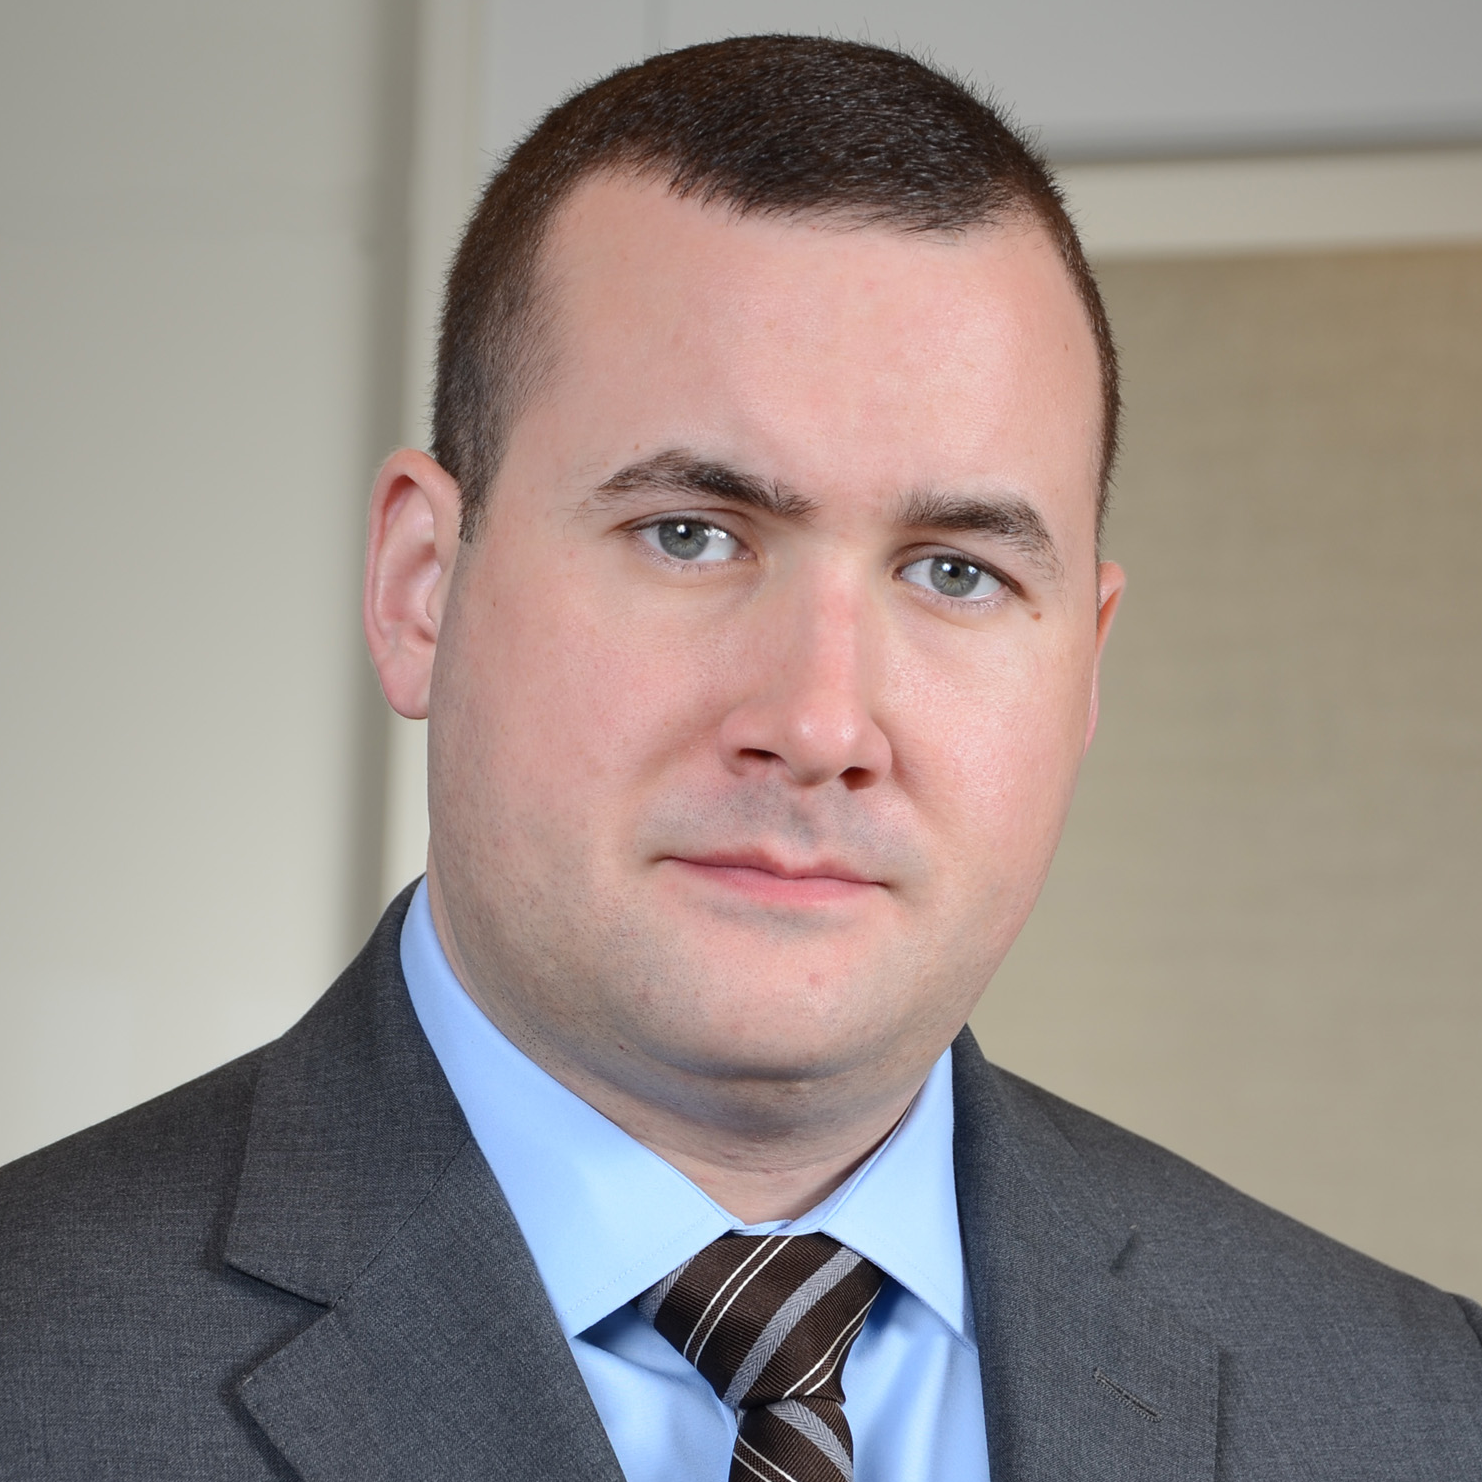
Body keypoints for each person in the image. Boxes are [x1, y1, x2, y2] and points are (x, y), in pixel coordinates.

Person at [1, 34, 1478, 1482]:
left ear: (1084, 664)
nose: (821, 726)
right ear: (420, 589)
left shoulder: (1419, 1413)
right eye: (689, 535)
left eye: (955, 571)